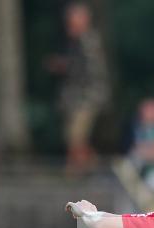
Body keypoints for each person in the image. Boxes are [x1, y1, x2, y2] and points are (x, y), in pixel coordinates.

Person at [47, 2, 111, 173]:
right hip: (77, 98)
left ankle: (78, 169)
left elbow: (89, 69)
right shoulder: (74, 42)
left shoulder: (88, 41)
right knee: (73, 136)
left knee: (75, 135)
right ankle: (89, 167)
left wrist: (63, 65)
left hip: (87, 97)